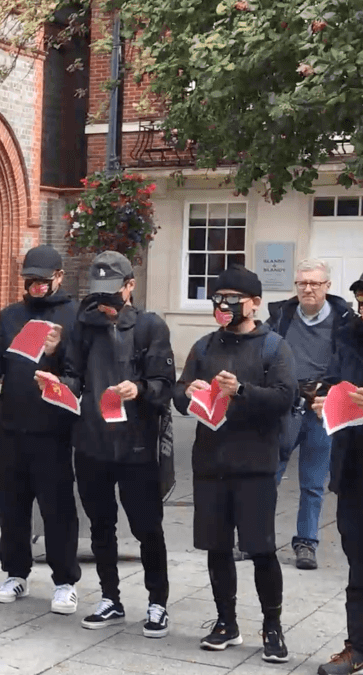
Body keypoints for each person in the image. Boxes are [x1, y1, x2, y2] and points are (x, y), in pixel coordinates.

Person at [37, 251, 174, 637]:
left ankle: (157, 602)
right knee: (100, 526)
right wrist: (57, 382)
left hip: (137, 446)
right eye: (99, 293)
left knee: (147, 528)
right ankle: (110, 598)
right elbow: (74, 375)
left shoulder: (150, 327)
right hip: (92, 442)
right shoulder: (85, 326)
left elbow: (165, 385)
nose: (105, 302)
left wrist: (140, 388)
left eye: (112, 292)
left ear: (130, 286)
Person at [174, 265, 296, 662]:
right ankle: (226, 622)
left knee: (261, 549)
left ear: (254, 303)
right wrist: (186, 392)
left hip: (255, 465)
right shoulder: (204, 346)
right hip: (211, 463)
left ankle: (272, 626)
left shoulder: (274, 347)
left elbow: (285, 398)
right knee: (217, 547)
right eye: (217, 298)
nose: (223, 305)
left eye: (232, 299)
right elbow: (179, 394)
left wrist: (241, 390)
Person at [0, 245, 80, 614]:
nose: (36, 286)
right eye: (30, 280)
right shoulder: (11, 315)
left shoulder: (73, 316)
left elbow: (79, 374)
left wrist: (57, 353)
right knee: (10, 506)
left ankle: (65, 581)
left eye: (42, 280)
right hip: (11, 428)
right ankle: (16, 573)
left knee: (56, 508)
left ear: (59, 277)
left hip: (53, 430)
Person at [268, 259, 355, 571]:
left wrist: (331, 391)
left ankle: (306, 543)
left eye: (315, 283)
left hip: (321, 410)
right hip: (285, 407)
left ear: (327, 286)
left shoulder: (346, 322)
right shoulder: (281, 316)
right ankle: (256, 538)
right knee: (268, 474)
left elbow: (352, 366)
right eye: (302, 283)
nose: (308, 289)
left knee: (314, 482)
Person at [313, 305, 363, 675]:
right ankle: (357, 647)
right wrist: (323, 400)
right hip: (354, 470)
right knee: (359, 563)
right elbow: (333, 381)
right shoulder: (348, 336)